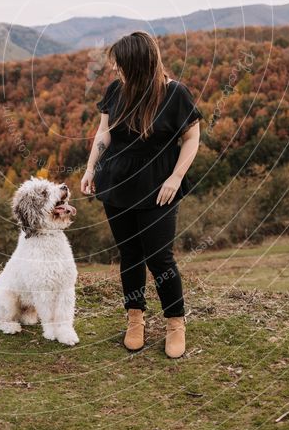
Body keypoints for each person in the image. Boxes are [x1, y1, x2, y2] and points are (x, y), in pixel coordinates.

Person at [81, 31, 203, 358]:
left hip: (158, 184)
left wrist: (176, 178)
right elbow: (104, 132)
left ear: (138, 64)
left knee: (160, 257)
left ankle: (175, 322)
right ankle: (135, 318)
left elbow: (192, 137)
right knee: (130, 256)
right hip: (117, 182)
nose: (115, 70)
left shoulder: (175, 93)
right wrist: (91, 168)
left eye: (120, 65)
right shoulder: (115, 91)